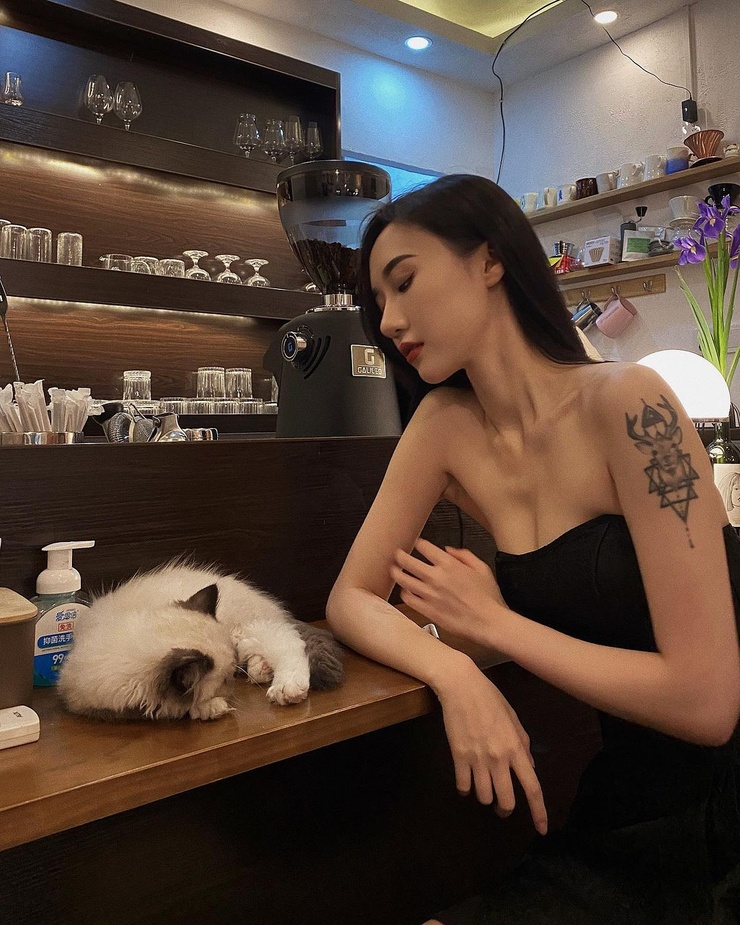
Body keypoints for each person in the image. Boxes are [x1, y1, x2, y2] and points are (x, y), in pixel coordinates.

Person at [325, 174, 740, 924]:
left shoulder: (631, 402)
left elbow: (708, 702)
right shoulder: (445, 425)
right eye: (377, 301)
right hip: (634, 801)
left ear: (490, 260)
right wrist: (454, 672)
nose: (388, 320)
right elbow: (350, 598)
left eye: (404, 282)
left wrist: (497, 626)